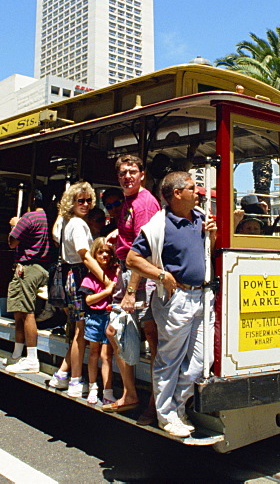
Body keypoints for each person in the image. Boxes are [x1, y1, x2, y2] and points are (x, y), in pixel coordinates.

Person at [126, 171, 217, 438]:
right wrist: (161, 275)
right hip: (176, 301)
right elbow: (133, 259)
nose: (197, 191)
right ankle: (167, 417)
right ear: (177, 194)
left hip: (201, 297)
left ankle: (176, 408)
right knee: (169, 360)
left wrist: (212, 236)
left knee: (202, 360)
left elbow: (208, 253)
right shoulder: (159, 224)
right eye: (191, 188)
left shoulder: (201, 218)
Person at [108, 155, 162, 418]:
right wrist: (116, 235)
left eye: (131, 172)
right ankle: (130, 393)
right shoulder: (130, 201)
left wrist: (131, 291)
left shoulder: (144, 203)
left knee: (152, 338)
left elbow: (145, 251)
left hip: (139, 278)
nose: (126, 177)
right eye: (122, 173)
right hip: (126, 271)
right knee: (114, 331)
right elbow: (132, 237)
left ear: (142, 174)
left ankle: (155, 402)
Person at [48, 182, 97, 397]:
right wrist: (105, 279)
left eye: (88, 200)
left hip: (69, 277)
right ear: (72, 203)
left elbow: (55, 235)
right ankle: (76, 380)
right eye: (81, 201)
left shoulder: (66, 222)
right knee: (81, 332)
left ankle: (61, 374)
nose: (85, 204)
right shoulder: (77, 224)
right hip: (79, 277)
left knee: (77, 330)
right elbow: (84, 254)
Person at [4, 189, 55, 374]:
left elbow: (12, 242)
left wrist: (14, 225)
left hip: (28, 268)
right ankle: (17, 355)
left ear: (33, 200)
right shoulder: (50, 219)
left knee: (26, 313)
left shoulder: (29, 217)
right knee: (19, 312)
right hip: (43, 267)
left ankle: (32, 358)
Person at [80, 237, 119, 405]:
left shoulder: (115, 272)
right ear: (94, 254)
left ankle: (108, 391)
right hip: (95, 317)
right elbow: (88, 300)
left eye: (108, 252)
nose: (105, 255)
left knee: (107, 355)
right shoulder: (89, 278)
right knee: (94, 353)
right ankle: (93, 387)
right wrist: (107, 291)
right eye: (101, 252)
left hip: (109, 317)